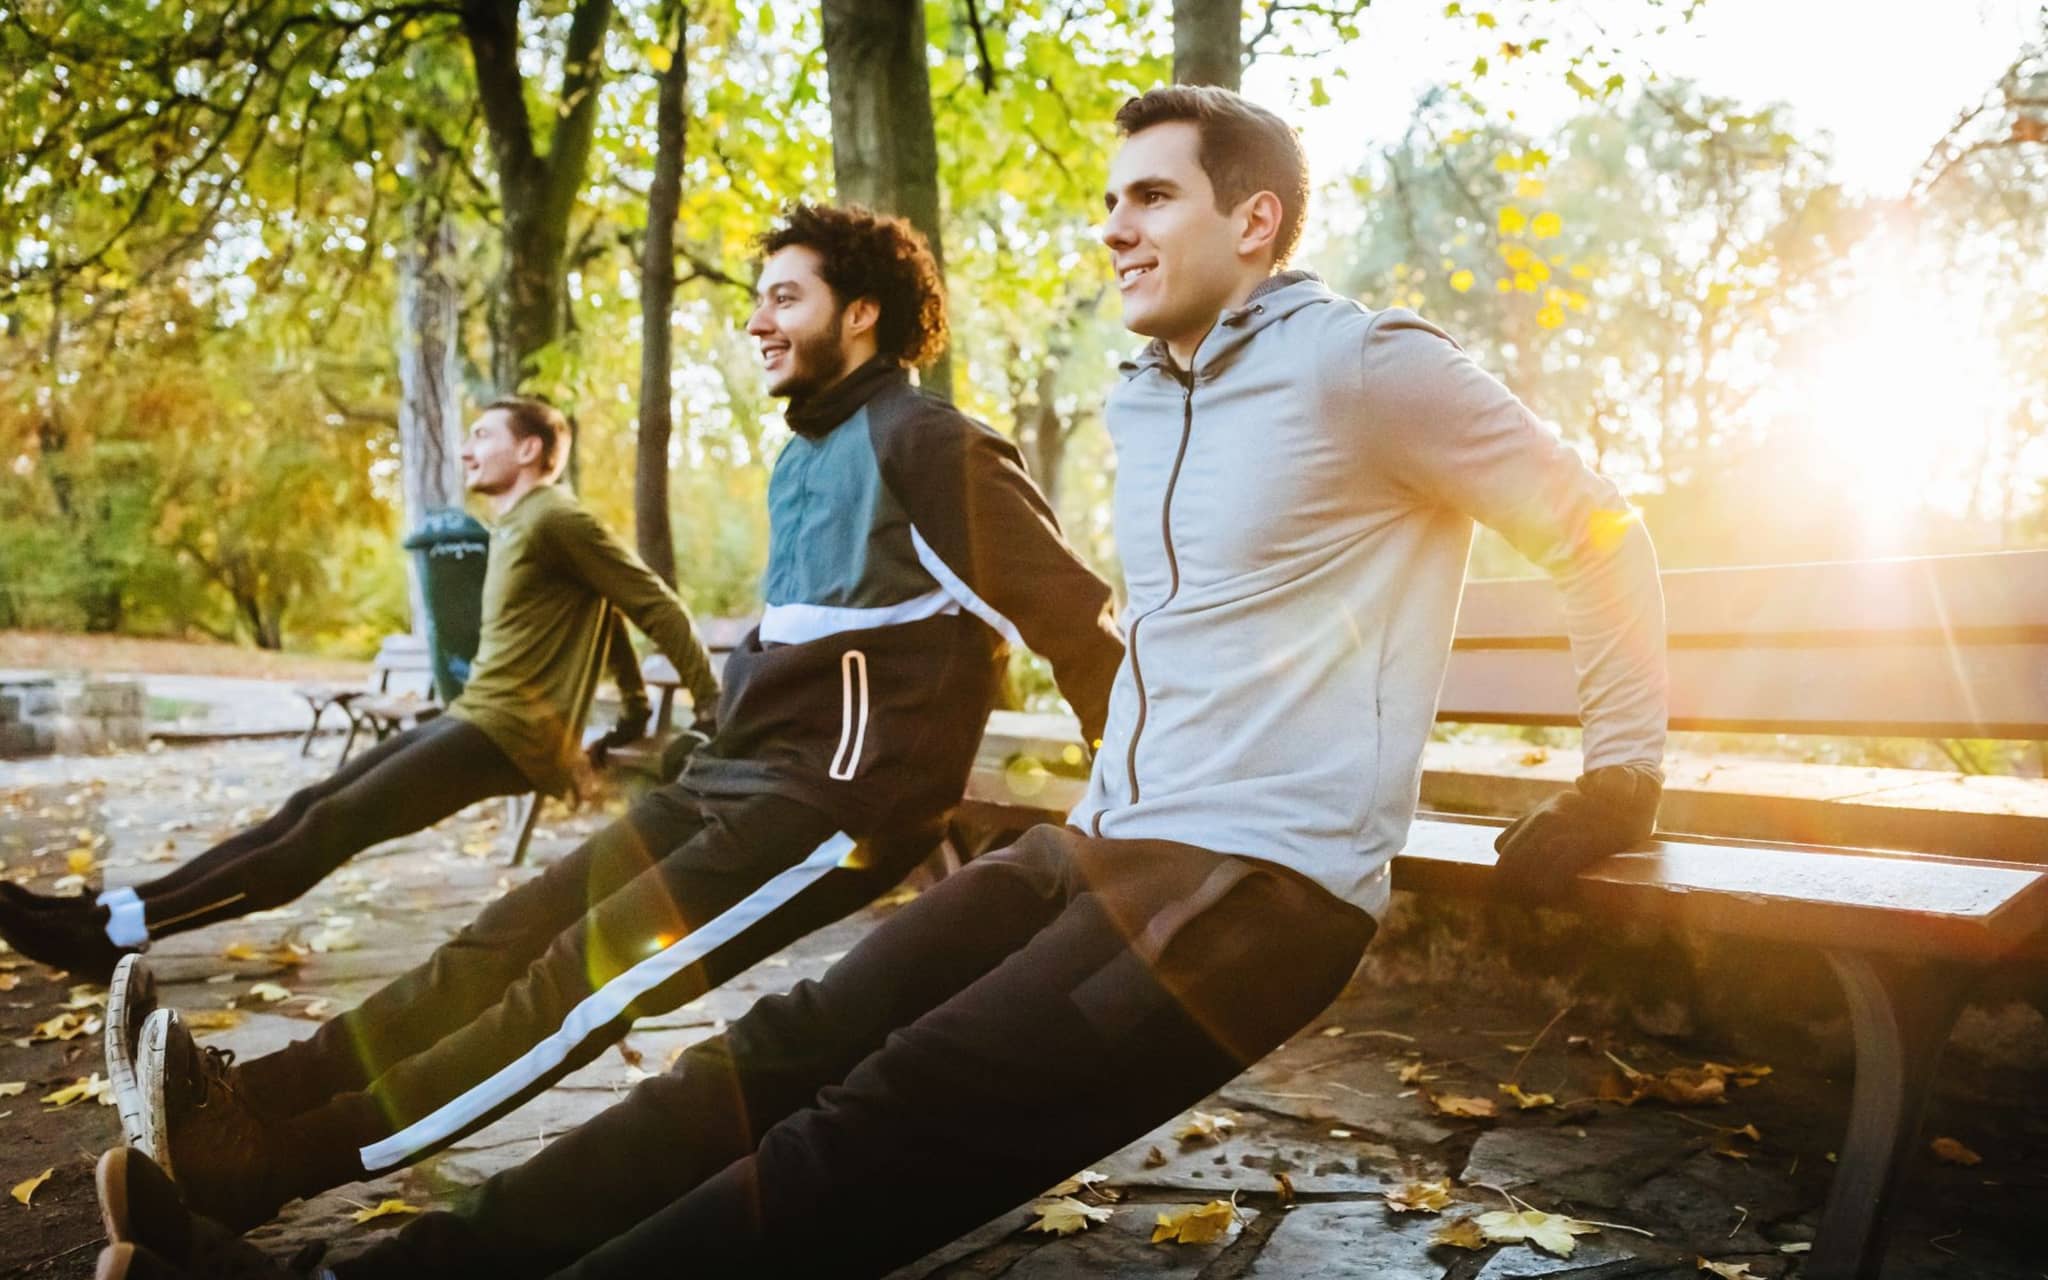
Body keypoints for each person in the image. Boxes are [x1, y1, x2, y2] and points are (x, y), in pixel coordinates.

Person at [93, 87, 1667, 1280]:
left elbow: (1599, 530)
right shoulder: (1147, 398)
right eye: (1109, 201)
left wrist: (1619, 774)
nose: (1114, 228)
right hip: (1107, 845)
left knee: (873, 1127)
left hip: (1256, 886)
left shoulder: (1366, 366)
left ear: (1256, 223)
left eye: (1151, 200)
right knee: (763, 1055)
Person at [104, 201, 1125, 1240]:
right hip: (731, 781)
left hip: (834, 808)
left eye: (786, 296)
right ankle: (256, 1099)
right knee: (501, 934)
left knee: (575, 986)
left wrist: (1130, 789)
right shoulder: (806, 454)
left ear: (861, 311)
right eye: (756, 300)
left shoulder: (928, 440)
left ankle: (269, 1164)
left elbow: (1079, 623)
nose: (759, 321)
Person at [0, 398, 720, 987]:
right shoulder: (521, 526)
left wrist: (714, 706)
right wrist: (628, 708)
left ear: (530, 450)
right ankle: (106, 915)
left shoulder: (559, 516)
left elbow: (654, 603)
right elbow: (607, 611)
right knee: (306, 807)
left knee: (328, 828)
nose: (468, 449)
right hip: (478, 718)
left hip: (509, 737)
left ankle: (122, 934)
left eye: (482, 436)